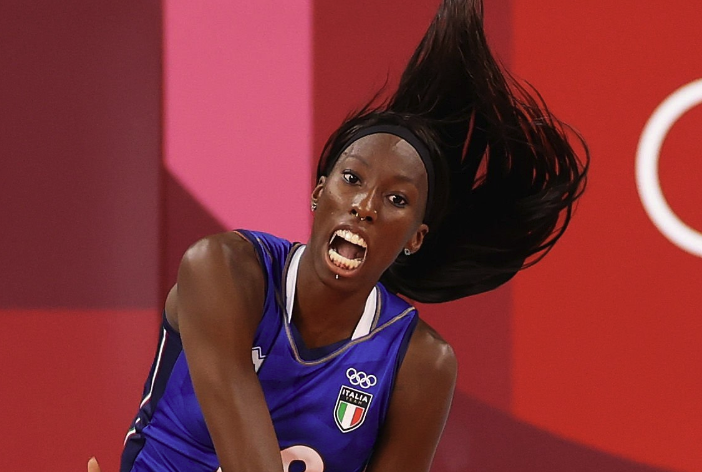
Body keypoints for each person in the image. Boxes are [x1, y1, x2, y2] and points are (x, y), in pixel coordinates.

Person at [101, 0, 588, 471]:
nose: (365, 206)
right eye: (351, 179)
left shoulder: (419, 363)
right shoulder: (223, 269)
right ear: (318, 193)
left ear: (415, 239)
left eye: (396, 200)